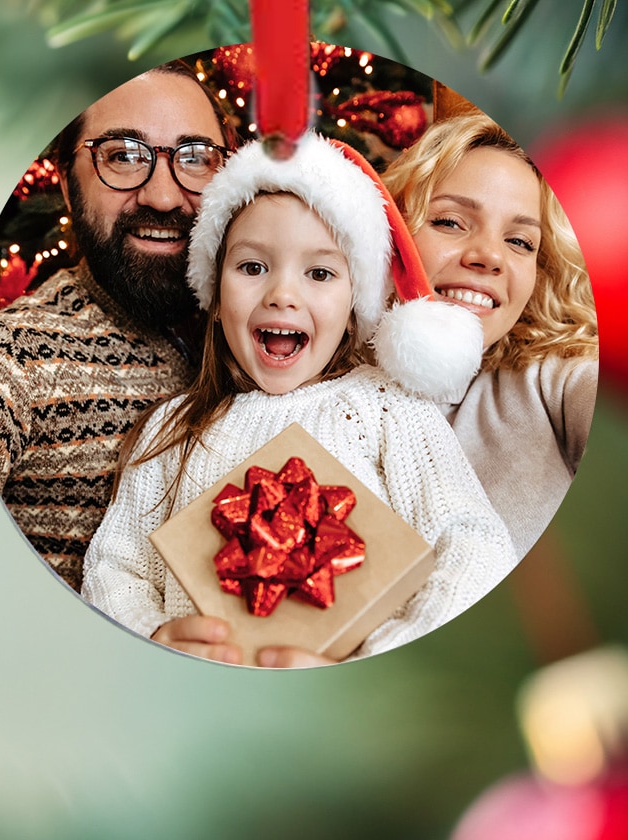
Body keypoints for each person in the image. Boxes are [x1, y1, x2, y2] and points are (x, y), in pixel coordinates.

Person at [81, 132, 516, 666]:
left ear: (354, 306)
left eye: (319, 273)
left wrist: (377, 658)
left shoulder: (388, 407)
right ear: (213, 297)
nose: (282, 294)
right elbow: (115, 567)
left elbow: (473, 545)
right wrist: (150, 638)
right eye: (253, 267)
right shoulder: (172, 428)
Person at [0, 61, 236, 592]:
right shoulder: (7, 363)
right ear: (67, 187)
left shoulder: (260, 337)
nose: (163, 195)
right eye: (123, 156)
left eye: (197, 159)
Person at [380, 114, 599, 560]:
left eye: (520, 242)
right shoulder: (308, 387)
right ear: (389, 235)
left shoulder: (552, 383)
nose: (490, 256)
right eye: (450, 222)